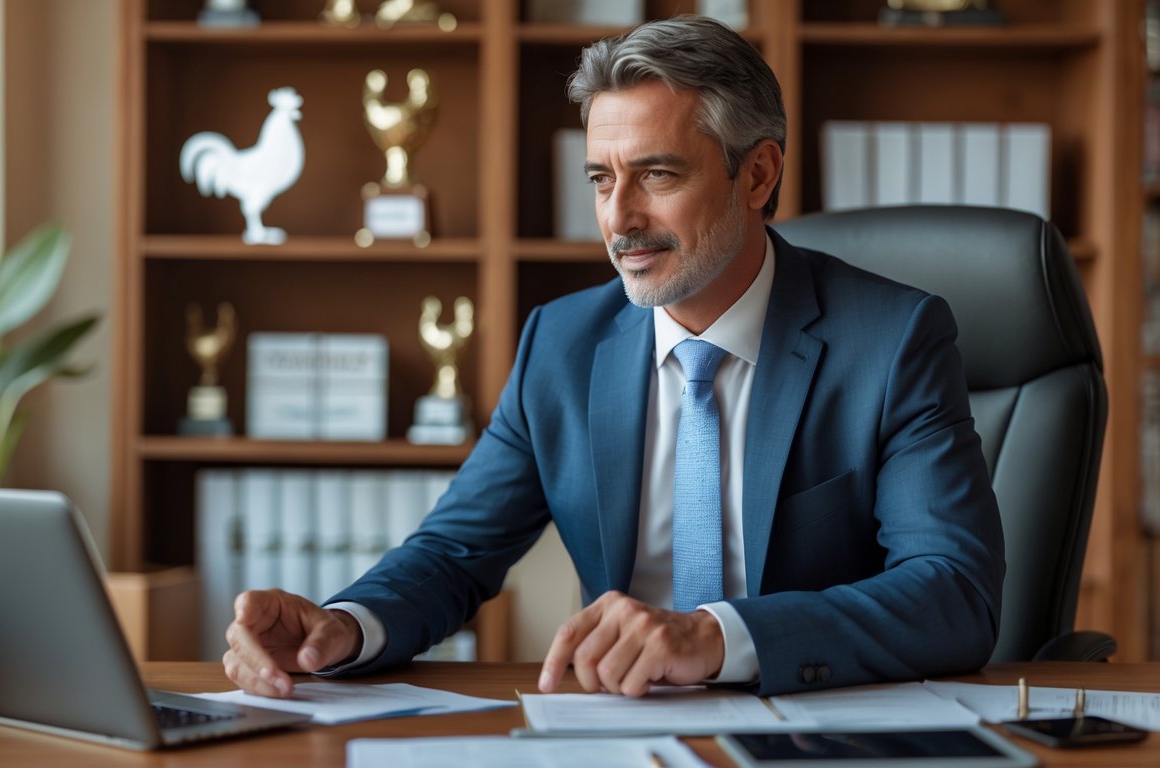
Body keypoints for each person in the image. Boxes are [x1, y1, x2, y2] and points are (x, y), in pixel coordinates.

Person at [222, 15, 1004, 699]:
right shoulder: (560, 345)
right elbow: (454, 552)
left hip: (819, 729)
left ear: (757, 174)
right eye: (601, 180)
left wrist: (715, 637)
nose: (619, 219)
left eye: (657, 174)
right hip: (620, 727)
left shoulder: (893, 338)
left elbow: (952, 592)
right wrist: (343, 628)